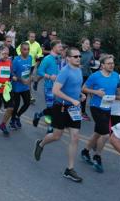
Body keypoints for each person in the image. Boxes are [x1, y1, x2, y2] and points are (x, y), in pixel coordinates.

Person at [34, 47, 85, 183]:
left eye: (79, 56)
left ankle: (69, 169)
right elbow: (56, 90)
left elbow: (75, 86)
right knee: (57, 135)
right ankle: (41, 143)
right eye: (75, 57)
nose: (78, 58)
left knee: (75, 137)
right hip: (61, 107)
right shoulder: (64, 72)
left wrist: (80, 94)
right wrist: (72, 99)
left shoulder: (79, 70)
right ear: (68, 58)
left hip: (74, 108)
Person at [81, 54, 120, 173]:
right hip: (96, 107)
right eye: (109, 63)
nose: (111, 65)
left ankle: (85, 151)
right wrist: (96, 92)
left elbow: (116, 89)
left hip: (108, 108)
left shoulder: (116, 76)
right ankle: (97, 157)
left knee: (98, 133)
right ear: (102, 65)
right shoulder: (95, 76)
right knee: (105, 134)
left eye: (112, 63)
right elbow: (84, 88)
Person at [33, 40, 62, 130]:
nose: (61, 48)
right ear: (53, 48)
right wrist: (49, 76)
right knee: (51, 108)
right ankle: (50, 129)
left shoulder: (59, 58)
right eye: (59, 47)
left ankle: (38, 115)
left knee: (54, 108)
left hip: (58, 88)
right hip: (49, 87)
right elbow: (39, 71)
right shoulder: (47, 59)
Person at [10, 42, 33, 129]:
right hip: (17, 86)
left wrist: (30, 78)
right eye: (24, 49)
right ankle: (12, 121)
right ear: (20, 50)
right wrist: (20, 79)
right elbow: (12, 73)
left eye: (28, 49)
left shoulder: (30, 58)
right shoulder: (16, 60)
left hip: (25, 86)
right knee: (16, 105)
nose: (26, 51)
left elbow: (29, 70)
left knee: (27, 103)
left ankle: (17, 117)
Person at [79, 38, 94, 121]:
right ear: (82, 44)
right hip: (78, 75)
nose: (88, 45)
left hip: (86, 75)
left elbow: (93, 63)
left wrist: (92, 63)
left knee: (85, 93)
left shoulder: (90, 53)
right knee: (76, 92)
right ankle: (70, 110)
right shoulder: (78, 53)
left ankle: (83, 111)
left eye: (89, 44)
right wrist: (78, 65)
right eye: (86, 43)